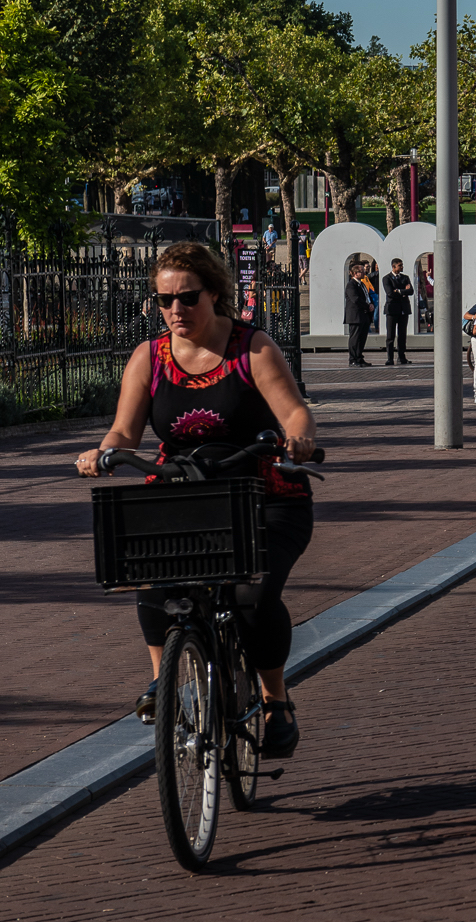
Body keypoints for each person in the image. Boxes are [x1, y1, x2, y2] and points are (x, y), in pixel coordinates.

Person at [75, 242, 317, 758]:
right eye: (164, 301)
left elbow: (295, 413)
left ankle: (275, 700)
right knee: (154, 582)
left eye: (188, 297)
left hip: (262, 491)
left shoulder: (251, 348)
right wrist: (104, 451)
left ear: (214, 293)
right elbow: (124, 430)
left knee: (252, 598)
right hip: (184, 493)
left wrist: (297, 440)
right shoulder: (150, 357)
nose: (176, 310)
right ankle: (165, 686)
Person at [382, 258, 414, 367]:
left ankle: (401, 357)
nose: (402, 267)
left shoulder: (405, 278)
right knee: (390, 335)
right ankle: (390, 358)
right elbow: (390, 292)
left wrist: (399, 291)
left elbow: (411, 291)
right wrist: (403, 291)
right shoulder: (386, 278)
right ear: (393, 266)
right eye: (400, 265)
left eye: (402, 265)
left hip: (403, 309)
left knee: (402, 335)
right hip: (392, 310)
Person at [343, 260, 373, 366]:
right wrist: (367, 305)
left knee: (362, 337)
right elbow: (355, 299)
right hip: (355, 315)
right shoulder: (351, 285)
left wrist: (371, 304)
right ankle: (353, 358)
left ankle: (359, 357)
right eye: (361, 271)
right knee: (355, 337)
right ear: (355, 273)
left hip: (364, 315)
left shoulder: (362, 284)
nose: (364, 273)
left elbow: (367, 296)